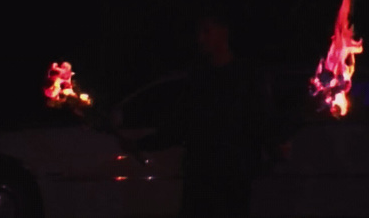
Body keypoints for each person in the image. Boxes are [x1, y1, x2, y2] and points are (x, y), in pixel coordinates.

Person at [122, 11, 291, 217]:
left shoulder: (246, 77)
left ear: (224, 33)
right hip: (200, 176)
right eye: (198, 32)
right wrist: (142, 143)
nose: (200, 39)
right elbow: (182, 124)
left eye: (206, 31)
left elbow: (261, 120)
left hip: (232, 177)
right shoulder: (199, 78)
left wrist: (273, 150)